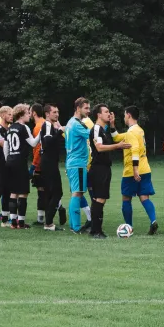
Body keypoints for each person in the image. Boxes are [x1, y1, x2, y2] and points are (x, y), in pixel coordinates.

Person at [111, 106, 159, 234]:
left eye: (124, 115)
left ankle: (129, 227)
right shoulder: (139, 130)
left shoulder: (131, 133)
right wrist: (112, 125)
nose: (124, 117)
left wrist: (135, 170)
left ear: (128, 115)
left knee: (126, 198)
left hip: (132, 170)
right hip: (146, 168)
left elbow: (135, 150)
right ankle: (153, 220)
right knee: (144, 197)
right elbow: (116, 138)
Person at [88, 104, 131, 238]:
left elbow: (109, 139)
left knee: (99, 199)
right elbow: (99, 148)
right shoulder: (96, 128)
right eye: (106, 112)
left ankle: (94, 230)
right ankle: (96, 231)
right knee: (99, 199)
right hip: (99, 168)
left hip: (104, 168)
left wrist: (112, 124)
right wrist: (118, 146)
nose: (109, 114)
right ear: (98, 115)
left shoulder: (103, 129)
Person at [4, 104, 41, 229]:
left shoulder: (10, 128)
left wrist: (8, 159)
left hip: (10, 161)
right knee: (23, 193)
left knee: (13, 193)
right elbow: (33, 143)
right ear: (21, 114)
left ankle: (13, 222)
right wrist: (42, 130)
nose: (29, 115)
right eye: (27, 112)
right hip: (20, 162)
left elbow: (6, 146)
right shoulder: (23, 127)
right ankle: (21, 222)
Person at [65, 97, 92, 233]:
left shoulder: (70, 123)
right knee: (77, 193)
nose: (89, 111)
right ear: (78, 108)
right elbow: (92, 135)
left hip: (71, 162)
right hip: (78, 163)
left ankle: (74, 224)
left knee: (78, 193)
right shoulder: (77, 124)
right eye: (86, 108)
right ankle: (75, 227)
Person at [40, 103, 66, 231]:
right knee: (57, 192)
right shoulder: (47, 125)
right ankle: (48, 223)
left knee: (51, 193)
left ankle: (48, 222)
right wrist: (60, 131)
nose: (57, 114)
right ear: (47, 114)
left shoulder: (52, 126)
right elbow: (48, 142)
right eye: (54, 112)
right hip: (48, 163)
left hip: (50, 162)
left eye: (57, 112)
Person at [30, 103, 46, 225]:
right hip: (49, 162)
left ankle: (41, 218)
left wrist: (34, 165)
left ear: (34, 113)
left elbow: (38, 148)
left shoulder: (38, 127)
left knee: (42, 190)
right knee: (46, 189)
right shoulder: (46, 123)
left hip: (40, 164)